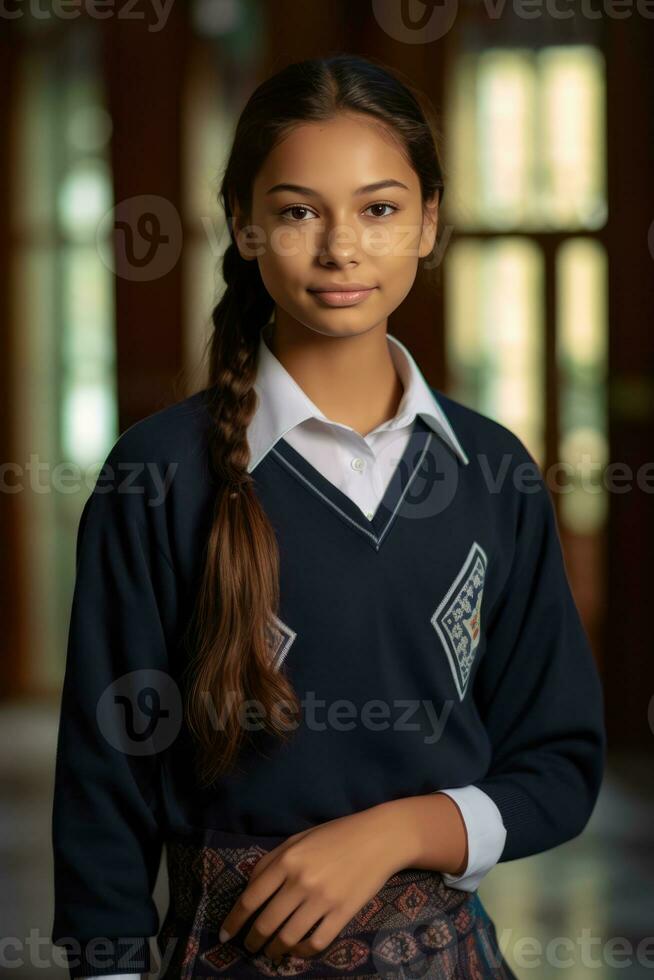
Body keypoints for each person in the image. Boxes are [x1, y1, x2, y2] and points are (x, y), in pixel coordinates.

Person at [50, 53, 607, 980]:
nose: (341, 248)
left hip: (451, 958)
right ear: (244, 223)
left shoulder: (495, 471)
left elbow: (558, 766)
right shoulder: (156, 474)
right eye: (299, 210)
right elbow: (106, 775)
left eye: (380, 209)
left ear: (430, 221)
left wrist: (395, 832)